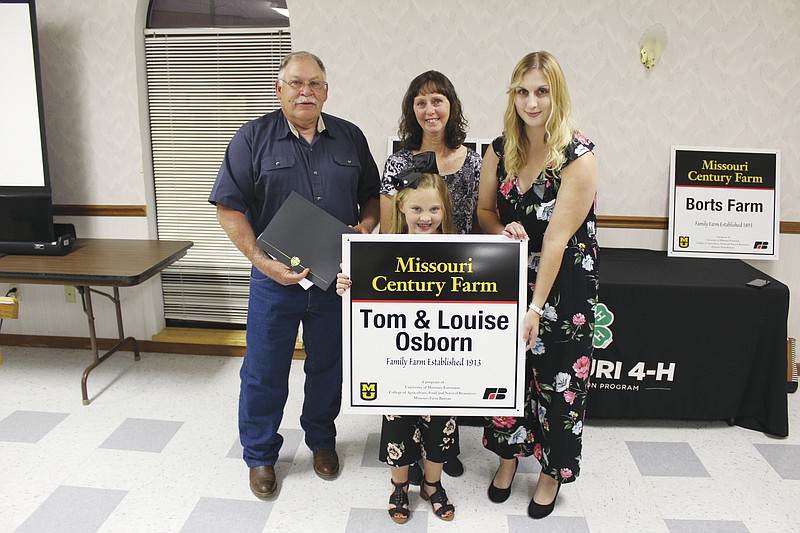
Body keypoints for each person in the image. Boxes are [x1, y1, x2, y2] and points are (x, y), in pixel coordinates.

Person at [208, 51, 380, 499]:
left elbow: (372, 198)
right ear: (278, 88)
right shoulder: (252, 138)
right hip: (273, 279)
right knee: (264, 370)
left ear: (326, 90)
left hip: (333, 280)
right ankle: (261, 454)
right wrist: (262, 262)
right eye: (297, 83)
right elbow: (229, 208)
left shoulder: (349, 137)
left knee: (327, 365)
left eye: (316, 84)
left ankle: (322, 440)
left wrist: (365, 229)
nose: (306, 91)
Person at [477, 51, 599, 519]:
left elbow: (555, 240)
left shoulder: (578, 155)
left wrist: (535, 308)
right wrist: (500, 231)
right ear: (513, 95)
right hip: (508, 280)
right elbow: (486, 213)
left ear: (557, 94)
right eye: (523, 91)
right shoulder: (498, 148)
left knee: (558, 382)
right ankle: (509, 457)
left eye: (542, 91)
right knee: (509, 376)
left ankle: (551, 472)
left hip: (562, 286)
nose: (532, 101)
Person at [337, 159, 457, 524]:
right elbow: (366, 301)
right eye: (417, 208)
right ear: (400, 207)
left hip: (444, 359)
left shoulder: (459, 251)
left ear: (445, 210)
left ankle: (433, 485)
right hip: (398, 361)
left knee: (440, 424)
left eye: (434, 209)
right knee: (398, 425)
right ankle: (400, 484)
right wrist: (347, 287)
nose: (426, 216)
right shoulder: (380, 252)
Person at [379, 70, 481, 481]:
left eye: (437, 100)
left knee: (447, 364)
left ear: (451, 106)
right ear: (412, 111)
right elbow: (387, 227)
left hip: (458, 279)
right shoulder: (398, 162)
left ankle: (441, 449)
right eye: (421, 102)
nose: (430, 109)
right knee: (410, 364)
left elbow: (479, 216)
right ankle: (404, 452)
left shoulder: (473, 161)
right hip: (407, 279)